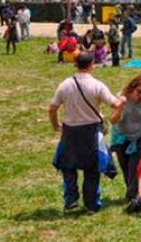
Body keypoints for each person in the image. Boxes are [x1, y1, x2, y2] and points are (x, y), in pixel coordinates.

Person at [49, 52, 124, 213]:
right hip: (90, 131)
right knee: (91, 169)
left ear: (75, 64)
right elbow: (114, 104)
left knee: (68, 167)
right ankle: (91, 204)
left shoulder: (65, 84)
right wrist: (122, 99)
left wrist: (56, 125)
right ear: (92, 65)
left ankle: (71, 200)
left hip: (70, 131)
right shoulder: (97, 85)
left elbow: (52, 108)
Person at [110, 75, 141, 212]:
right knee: (126, 168)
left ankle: (133, 198)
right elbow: (112, 120)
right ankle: (133, 195)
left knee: (136, 168)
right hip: (120, 137)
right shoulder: (121, 97)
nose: (140, 96)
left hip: (140, 137)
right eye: (138, 93)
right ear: (132, 89)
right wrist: (120, 108)